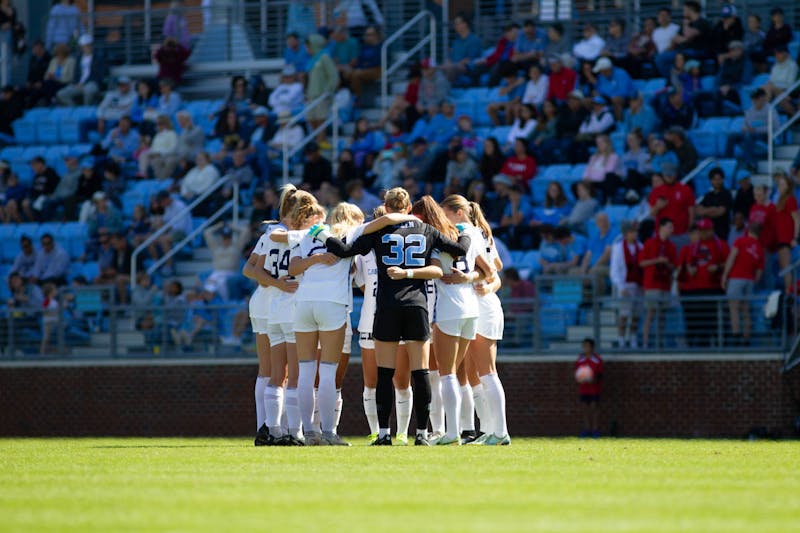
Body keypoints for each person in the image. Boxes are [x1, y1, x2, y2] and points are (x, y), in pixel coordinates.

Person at [320, 188, 471, 446]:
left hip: (387, 305)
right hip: (417, 305)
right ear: (409, 207)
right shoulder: (426, 230)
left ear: (386, 208)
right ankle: (422, 433)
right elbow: (459, 250)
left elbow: (344, 251)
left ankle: (383, 433)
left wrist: (322, 235)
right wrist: (467, 232)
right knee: (420, 372)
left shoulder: (378, 229)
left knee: (384, 373)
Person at [287, 202, 365, 446]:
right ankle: (329, 432)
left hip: (303, 302)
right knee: (328, 372)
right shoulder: (350, 236)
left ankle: (309, 432)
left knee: (306, 371)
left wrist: (316, 260)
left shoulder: (310, 235)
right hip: (332, 303)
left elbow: (292, 268)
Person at [459, 199, 510, 445]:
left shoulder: (478, 237)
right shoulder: (477, 237)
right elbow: (495, 272)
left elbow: (494, 273)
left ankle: (499, 431)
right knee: (472, 373)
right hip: (471, 307)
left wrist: (487, 286)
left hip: (484, 308)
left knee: (487, 372)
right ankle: (487, 430)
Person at [676, 220, 729, 347]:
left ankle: (715, 345)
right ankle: (695, 346)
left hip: (713, 288)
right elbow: (684, 268)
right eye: (701, 230)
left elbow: (729, 264)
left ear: (712, 230)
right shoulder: (691, 247)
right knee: (694, 321)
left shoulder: (720, 245)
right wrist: (690, 270)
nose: (703, 233)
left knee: (712, 321)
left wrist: (718, 267)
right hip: (693, 290)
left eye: (706, 230)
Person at [722, 222, 764, 346]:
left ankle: (736, 336)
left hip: (736, 278)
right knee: (746, 310)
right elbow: (759, 272)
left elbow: (731, 258)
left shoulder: (740, 241)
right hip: (749, 280)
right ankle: (747, 338)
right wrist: (753, 282)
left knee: (734, 308)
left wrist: (725, 275)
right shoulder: (760, 248)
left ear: (749, 231)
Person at [639, 218, 677, 349]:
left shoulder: (671, 246)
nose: (671, 230)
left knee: (662, 315)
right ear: (661, 227)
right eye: (669, 227)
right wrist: (656, 260)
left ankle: (659, 342)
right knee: (651, 313)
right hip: (652, 284)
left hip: (665, 283)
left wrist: (666, 263)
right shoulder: (650, 243)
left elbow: (673, 267)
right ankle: (645, 341)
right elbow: (642, 263)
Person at [610, 221, 642, 348]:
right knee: (624, 314)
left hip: (638, 284)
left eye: (635, 232)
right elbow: (615, 269)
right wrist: (620, 286)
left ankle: (633, 337)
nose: (634, 235)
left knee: (636, 314)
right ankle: (621, 338)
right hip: (625, 284)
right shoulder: (618, 248)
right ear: (625, 234)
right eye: (631, 232)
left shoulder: (640, 246)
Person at [648, 162, 695, 249]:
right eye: (667, 174)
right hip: (662, 235)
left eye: (671, 174)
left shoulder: (685, 189)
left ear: (676, 174)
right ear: (663, 175)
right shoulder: (656, 191)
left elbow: (691, 211)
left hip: (681, 233)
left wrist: (690, 228)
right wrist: (658, 207)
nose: (669, 176)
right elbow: (652, 213)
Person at [305, 33, 339, 148]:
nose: (307, 49)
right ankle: (319, 139)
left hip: (321, 94)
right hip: (311, 94)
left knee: (320, 118)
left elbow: (333, 76)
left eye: (308, 46)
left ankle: (321, 141)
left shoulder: (324, 57)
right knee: (310, 118)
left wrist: (327, 91)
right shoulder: (311, 60)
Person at [203, 222, 250, 302]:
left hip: (230, 272)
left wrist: (232, 226)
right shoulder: (216, 247)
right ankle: (211, 303)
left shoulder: (237, 246)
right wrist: (218, 226)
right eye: (224, 238)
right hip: (217, 272)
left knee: (222, 283)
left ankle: (225, 303)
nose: (226, 240)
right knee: (209, 283)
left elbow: (245, 231)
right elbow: (207, 232)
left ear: (231, 238)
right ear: (221, 238)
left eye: (228, 238)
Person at [56, 34, 105, 106]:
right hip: (79, 84)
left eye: (88, 46)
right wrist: (76, 83)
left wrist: (85, 83)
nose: (86, 48)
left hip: (92, 83)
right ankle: (75, 109)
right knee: (61, 93)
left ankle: (86, 109)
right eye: (84, 46)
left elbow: (99, 75)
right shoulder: (79, 58)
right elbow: (76, 74)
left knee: (88, 90)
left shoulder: (99, 58)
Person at [774, 174, 799, 293]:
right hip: (779, 238)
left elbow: (796, 219)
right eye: (779, 184)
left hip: (786, 238)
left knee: (786, 268)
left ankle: (790, 292)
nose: (780, 186)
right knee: (783, 267)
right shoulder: (780, 200)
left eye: (783, 184)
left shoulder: (790, 199)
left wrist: (795, 237)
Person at [440, 14, 483, 83]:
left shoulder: (474, 40)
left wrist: (452, 65)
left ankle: (447, 91)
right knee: (436, 68)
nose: (455, 26)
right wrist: (446, 64)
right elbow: (450, 58)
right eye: (455, 24)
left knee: (450, 68)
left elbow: (469, 59)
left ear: (465, 24)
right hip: (454, 66)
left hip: (468, 68)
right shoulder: (456, 41)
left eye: (457, 24)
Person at [574, 338, 604, 438]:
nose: (585, 348)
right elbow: (577, 373)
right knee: (585, 409)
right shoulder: (580, 359)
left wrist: (593, 379)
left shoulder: (597, 360)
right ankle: (586, 429)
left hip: (594, 389)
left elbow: (600, 375)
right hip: (584, 389)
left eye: (587, 346)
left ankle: (595, 430)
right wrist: (580, 379)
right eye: (584, 346)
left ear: (592, 347)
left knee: (594, 408)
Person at [342, 25, 382, 96]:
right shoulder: (364, 47)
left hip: (376, 69)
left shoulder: (382, 47)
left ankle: (358, 98)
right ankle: (345, 98)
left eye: (369, 35)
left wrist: (362, 68)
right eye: (366, 35)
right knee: (346, 74)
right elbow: (359, 60)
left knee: (355, 75)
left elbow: (377, 61)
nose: (366, 37)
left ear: (376, 35)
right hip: (362, 69)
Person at [696, 167, 733, 241]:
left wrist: (706, 211)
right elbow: (698, 211)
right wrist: (713, 209)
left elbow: (720, 212)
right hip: (707, 232)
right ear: (710, 181)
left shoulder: (727, 194)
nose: (717, 182)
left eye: (719, 179)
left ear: (723, 179)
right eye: (714, 179)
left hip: (722, 231)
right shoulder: (708, 195)